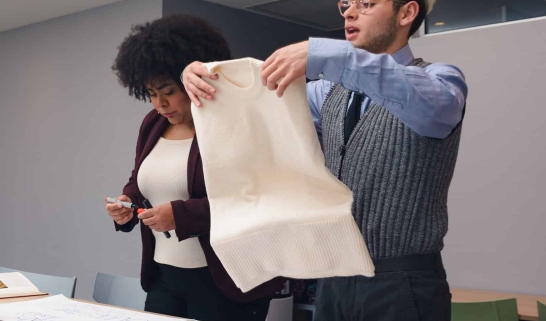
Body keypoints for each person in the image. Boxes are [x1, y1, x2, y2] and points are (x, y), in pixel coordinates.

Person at [181, 0, 467, 320]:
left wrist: (331, 54)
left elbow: (432, 104)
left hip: (403, 284)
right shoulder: (328, 92)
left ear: (407, 13)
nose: (349, 12)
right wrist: (208, 78)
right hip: (334, 274)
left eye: (366, 3)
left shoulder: (441, 79)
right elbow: (256, 103)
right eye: (346, 3)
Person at [107, 15, 285, 321]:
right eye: (151, 94)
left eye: (168, 91)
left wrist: (181, 214)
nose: (159, 104)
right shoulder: (153, 124)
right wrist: (127, 202)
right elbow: (140, 180)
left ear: (194, 81)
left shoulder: (235, 124)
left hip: (225, 281)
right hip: (163, 276)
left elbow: (257, 198)